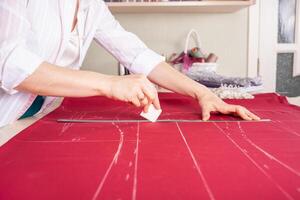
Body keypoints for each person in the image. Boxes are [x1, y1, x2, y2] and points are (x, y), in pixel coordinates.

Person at [0, 0, 260, 127]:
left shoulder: (93, 5)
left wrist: (204, 94)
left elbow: (137, 54)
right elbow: (8, 62)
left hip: (28, 118)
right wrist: (109, 84)